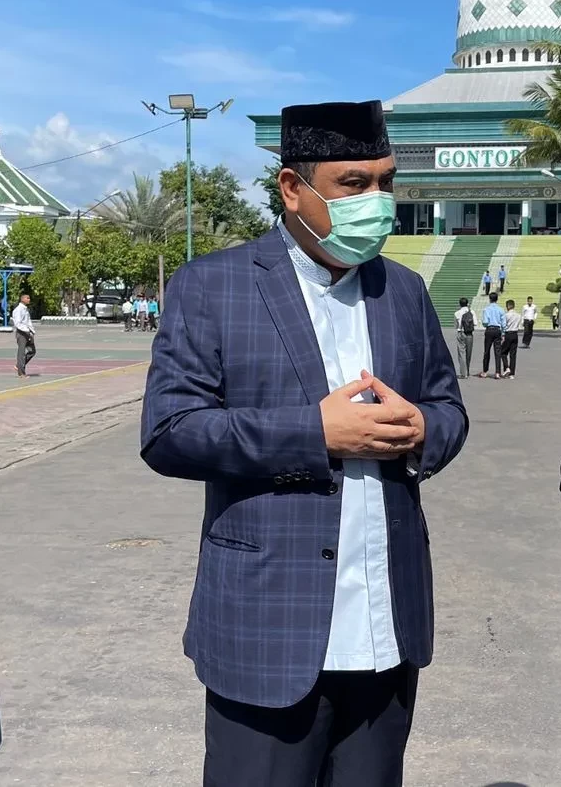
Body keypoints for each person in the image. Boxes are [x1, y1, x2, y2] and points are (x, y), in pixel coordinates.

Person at [140, 100, 469, 787]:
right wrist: (313, 432)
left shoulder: (404, 292)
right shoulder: (214, 287)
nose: (377, 202)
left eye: (386, 182)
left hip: (386, 628)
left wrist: (422, 432)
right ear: (293, 189)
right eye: (354, 184)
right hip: (269, 631)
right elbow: (170, 432)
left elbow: (447, 408)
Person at [480, 292, 506, 379]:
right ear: (497, 299)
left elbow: (485, 322)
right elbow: (503, 323)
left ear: (490, 299)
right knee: (497, 352)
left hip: (489, 329)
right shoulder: (501, 309)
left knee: (487, 351)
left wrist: (485, 325)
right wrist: (503, 333)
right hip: (497, 330)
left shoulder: (487, 309)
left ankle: (485, 371)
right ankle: (497, 372)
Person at [12, 293, 36, 378]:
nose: (29, 299)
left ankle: (19, 365)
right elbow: (18, 323)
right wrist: (26, 330)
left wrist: (32, 331)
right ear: (22, 299)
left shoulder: (25, 309)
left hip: (28, 332)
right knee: (21, 353)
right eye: (27, 298)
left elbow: (28, 321)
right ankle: (21, 373)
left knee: (32, 351)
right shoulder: (18, 310)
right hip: (21, 333)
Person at [453, 297, 476, 378]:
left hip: (461, 333)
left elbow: (456, 326)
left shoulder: (456, 313)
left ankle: (464, 373)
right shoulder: (472, 312)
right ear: (467, 303)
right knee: (468, 353)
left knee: (461, 353)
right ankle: (468, 370)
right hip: (469, 334)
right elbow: (475, 323)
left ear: (460, 304)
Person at [500, 299, 523, 378]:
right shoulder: (518, 315)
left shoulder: (506, 315)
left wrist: (502, 336)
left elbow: (503, 325)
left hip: (508, 334)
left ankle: (507, 367)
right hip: (515, 334)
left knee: (503, 352)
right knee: (513, 354)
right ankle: (512, 373)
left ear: (508, 306)